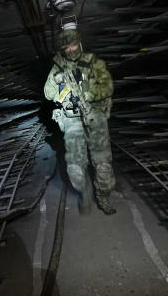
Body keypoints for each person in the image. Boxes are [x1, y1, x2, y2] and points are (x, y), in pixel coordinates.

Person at [43, 22, 116, 215]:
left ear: (79, 43)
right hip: (72, 120)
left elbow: (108, 87)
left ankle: (104, 197)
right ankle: (85, 191)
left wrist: (88, 94)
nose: (70, 50)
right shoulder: (58, 67)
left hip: (95, 116)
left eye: (73, 45)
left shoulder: (94, 63)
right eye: (66, 47)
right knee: (75, 167)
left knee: (103, 164)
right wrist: (63, 91)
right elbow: (48, 92)